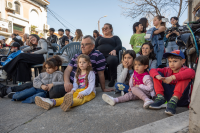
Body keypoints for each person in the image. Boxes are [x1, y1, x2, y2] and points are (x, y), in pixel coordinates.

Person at [149, 50, 195, 115]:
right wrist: (157, 76)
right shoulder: (167, 69)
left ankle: (173, 101)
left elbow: (192, 72)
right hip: (168, 97)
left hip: (181, 99)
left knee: (185, 77)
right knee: (157, 74)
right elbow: (152, 70)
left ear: (183, 61)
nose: (171, 64)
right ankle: (160, 98)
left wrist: (172, 77)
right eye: (170, 61)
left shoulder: (186, 70)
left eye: (175, 61)